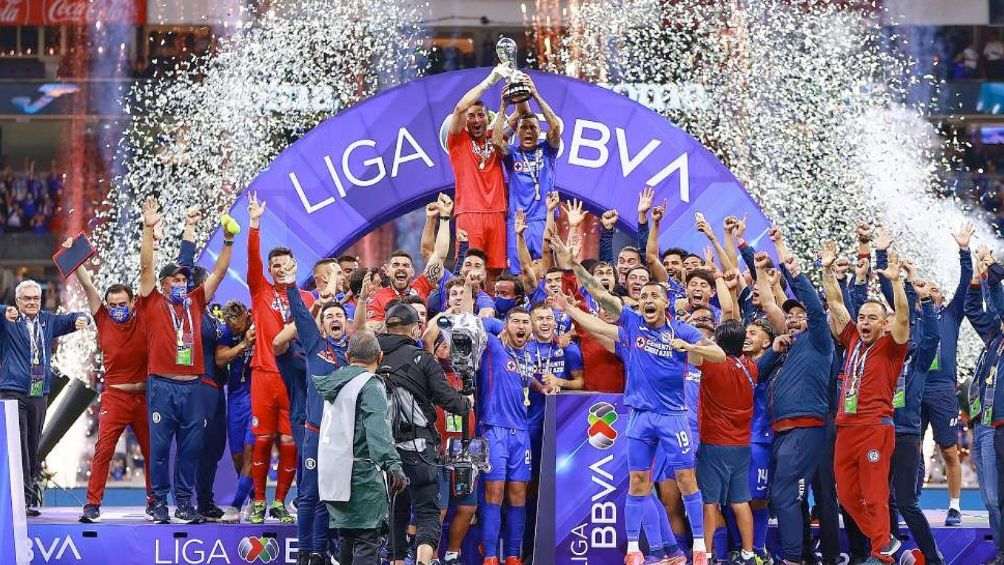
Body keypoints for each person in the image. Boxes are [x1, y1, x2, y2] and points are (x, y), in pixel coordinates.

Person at [550, 234, 719, 565]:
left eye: (654, 294)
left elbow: (718, 355)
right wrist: (574, 273)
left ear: (667, 303)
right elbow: (600, 299)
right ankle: (635, 550)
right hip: (640, 416)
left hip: (673, 417)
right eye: (643, 296)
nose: (647, 299)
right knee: (639, 482)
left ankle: (698, 547)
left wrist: (691, 348)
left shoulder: (681, 332)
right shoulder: (631, 324)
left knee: (684, 481)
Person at [137, 197, 235, 523]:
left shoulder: (195, 302)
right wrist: (148, 230)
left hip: (193, 387)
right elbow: (146, 268)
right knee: (160, 450)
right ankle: (158, 503)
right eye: (175, 280)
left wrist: (229, 240)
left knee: (191, 449)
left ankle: (183, 503)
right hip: (162, 386)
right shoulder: (152, 302)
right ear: (164, 284)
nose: (181, 284)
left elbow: (220, 272)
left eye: (183, 280)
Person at [821, 241, 910, 564]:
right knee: (846, 496)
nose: (865, 322)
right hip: (846, 428)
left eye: (872, 318)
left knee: (874, 495)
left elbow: (903, 317)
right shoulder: (853, 340)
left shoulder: (893, 346)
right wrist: (827, 269)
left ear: (883, 323)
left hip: (875, 427)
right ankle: (889, 544)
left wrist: (896, 283)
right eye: (861, 317)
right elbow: (834, 302)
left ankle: (881, 552)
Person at [755, 242, 834, 565]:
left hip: (805, 428)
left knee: (786, 494)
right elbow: (755, 376)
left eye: (800, 316)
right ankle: (802, 555)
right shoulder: (783, 350)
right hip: (783, 431)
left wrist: (795, 273)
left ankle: (791, 559)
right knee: (788, 497)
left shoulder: (819, 341)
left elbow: (815, 309)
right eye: (789, 316)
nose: (794, 319)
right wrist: (772, 351)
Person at [378, 301, 471, 565]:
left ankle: (396, 561)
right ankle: (423, 560)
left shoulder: (371, 356)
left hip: (382, 450)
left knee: (396, 511)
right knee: (428, 512)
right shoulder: (423, 359)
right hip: (418, 448)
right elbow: (451, 401)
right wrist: (467, 402)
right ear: (415, 330)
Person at [71, 242, 153, 523]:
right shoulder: (103, 319)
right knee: (103, 450)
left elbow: (146, 271)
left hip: (145, 397)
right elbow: (87, 285)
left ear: (132, 303)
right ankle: (92, 505)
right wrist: (73, 255)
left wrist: (150, 235)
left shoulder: (143, 315)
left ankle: (154, 502)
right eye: (113, 305)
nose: (117, 308)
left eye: (122, 304)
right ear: (107, 306)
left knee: (153, 452)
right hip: (115, 397)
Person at [245, 191, 314, 524]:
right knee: (262, 440)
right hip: (263, 373)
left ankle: (280, 502)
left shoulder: (307, 298)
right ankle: (259, 501)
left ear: (294, 266)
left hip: (294, 378)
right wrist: (254, 224)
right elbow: (252, 260)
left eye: (285, 264)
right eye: (275, 265)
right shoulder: (260, 290)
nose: (279, 268)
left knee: (289, 441)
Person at [314, 331, 409, 565]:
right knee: (367, 540)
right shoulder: (369, 385)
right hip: (360, 476)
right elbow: (378, 431)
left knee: (347, 538)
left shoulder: (336, 382)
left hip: (332, 473)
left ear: (348, 357)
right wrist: (393, 465)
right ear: (380, 356)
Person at [0, 278, 87, 516]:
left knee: (31, 447)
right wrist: (3, 310)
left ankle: (26, 501)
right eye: (26, 298)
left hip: (38, 393)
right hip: (13, 391)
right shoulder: (8, 320)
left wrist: (83, 319)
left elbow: (72, 318)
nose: (31, 302)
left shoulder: (47, 321)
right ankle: (18, 501)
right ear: (17, 301)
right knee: (17, 446)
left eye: (35, 298)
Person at [908, 224, 973, 526]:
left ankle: (955, 506)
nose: (929, 291)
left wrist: (964, 251)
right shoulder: (913, 317)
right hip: (914, 387)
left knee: (948, 450)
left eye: (935, 289)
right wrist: (909, 278)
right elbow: (894, 292)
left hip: (943, 389)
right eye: (926, 288)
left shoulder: (950, 315)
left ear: (942, 298)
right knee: (911, 448)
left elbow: (965, 283)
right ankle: (911, 502)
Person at [289, 265, 349, 565]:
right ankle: (304, 552)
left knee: (331, 497)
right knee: (309, 494)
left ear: (346, 323)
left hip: (342, 439)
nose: (335, 319)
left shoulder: (355, 354)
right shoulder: (316, 346)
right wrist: (290, 286)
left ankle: (319, 551)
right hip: (315, 434)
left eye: (339, 315)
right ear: (322, 326)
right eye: (329, 316)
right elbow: (301, 316)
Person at [694, 319, 759, 565]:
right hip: (742, 445)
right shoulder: (751, 367)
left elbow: (697, 350)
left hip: (714, 444)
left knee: (710, 503)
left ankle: (707, 556)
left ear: (719, 343)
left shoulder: (712, 365)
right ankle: (748, 554)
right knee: (740, 501)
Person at [889, 277, 943, 564]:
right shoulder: (879, 357)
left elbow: (932, 337)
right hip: (878, 433)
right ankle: (890, 554)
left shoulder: (918, 359)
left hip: (906, 434)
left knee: (906, 501)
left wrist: (924, 301)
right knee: (881, 499)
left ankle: (933, 558)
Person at [491, 74, 563, 267]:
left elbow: (555, 127)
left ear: (539, 131)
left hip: (543, 218)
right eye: (524, 128)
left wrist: (536, 95)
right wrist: (503, 106)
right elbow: (496, 142)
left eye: (533, 127)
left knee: (547, 269)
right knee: (520, 272)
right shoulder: (512, 154)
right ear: (517, 132)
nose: (529, 131)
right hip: (518, 220)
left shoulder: (547, 150)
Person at [446, 64, 511, 273]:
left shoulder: (495, 138)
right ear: (465, 121)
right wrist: (490, 81)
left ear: (488, 118)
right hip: (469, 212)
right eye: (471, 116)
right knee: (468, 267)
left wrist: (518, 87)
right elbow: (459, 108)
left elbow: (520, 118)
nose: (476, 120)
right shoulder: (458, 140)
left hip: (497, 212)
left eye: (480, 115)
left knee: (495, 271)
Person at [214, 300, 256, 521]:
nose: (235, 330)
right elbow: (220, 359)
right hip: (236, 396)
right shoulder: (226, 331)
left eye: (238, 326)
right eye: (231, 327)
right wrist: (243, 345)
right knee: (238, 455)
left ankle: (235, 505)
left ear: (247, 316)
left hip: (258, 393)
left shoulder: (259, 323)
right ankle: (256, 498)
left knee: (251, 450)